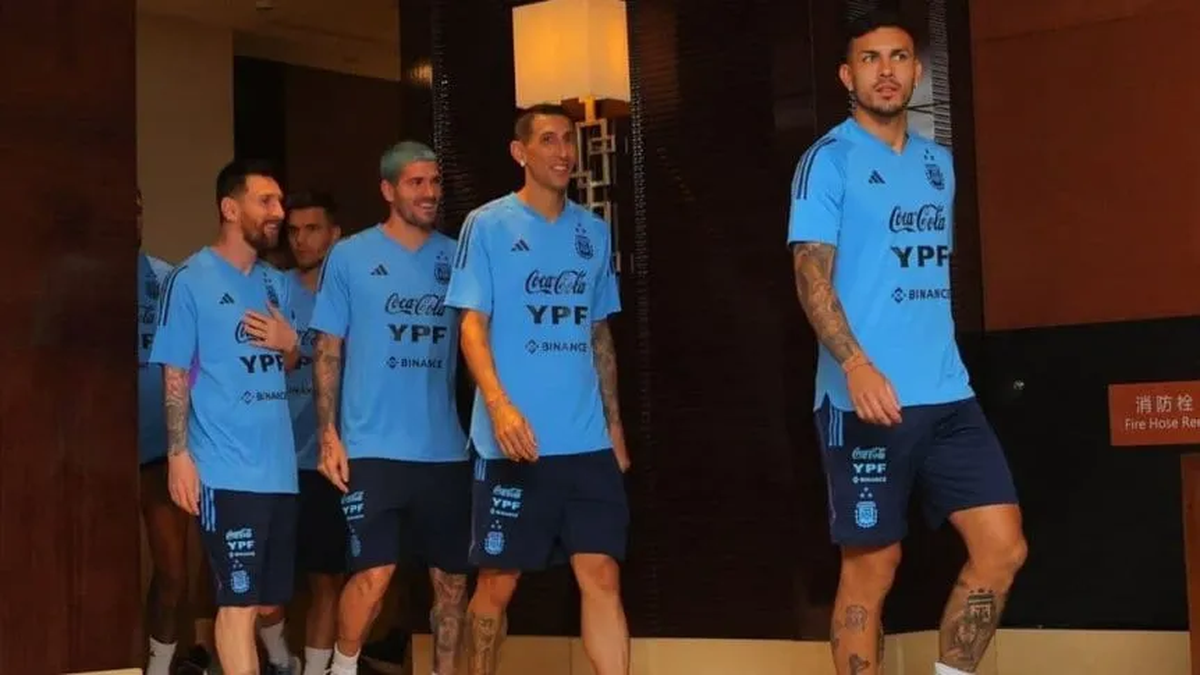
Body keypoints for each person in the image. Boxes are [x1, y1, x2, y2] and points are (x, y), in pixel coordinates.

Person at [787, 10, 1027, 675]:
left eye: (897, 57)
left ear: (917, 71)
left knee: (1002, 547)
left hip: (948, 394)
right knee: (873, 566)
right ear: (847, 76)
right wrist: (856, 364)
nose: (885, 71)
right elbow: (811, 277)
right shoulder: (827, 162)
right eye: (870, 59)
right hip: (863, 400)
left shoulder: (937, 165)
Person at [446, 104, 630, 675]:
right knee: (497, 583)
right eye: (548, 140)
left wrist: (615, 427)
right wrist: (500, 408)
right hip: (513, 442)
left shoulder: (592, 232)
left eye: (568, 140)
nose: (563, 152)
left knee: (602, 574)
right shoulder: (487, 225)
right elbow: (471, 327)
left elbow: (599, 335)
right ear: (519, 152)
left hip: (586, 443)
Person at [311, 141, 470, 675]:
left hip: (445, 450)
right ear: (388, 189)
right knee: (374, 576)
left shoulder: (458, 256)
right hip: (372, 448)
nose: (429, 192)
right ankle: (342, 667)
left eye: (435, 182)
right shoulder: (350, 256)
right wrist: (328, 434)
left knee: (452, 585)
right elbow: (327, 348)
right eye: (415, 182)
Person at [150, 159, 305, 675]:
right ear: (230, 208)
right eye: (266, 201)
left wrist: (289, 344)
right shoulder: (189, 280)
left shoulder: (276, 284)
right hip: (225, 470)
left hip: (278, 471)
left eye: (280, 201)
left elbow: (288, 360)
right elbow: (175, 372)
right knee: (237, 606)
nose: (278, 212)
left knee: (264, 602)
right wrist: (178, 455)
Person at [282, 189, 346, 675]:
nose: (301, 240)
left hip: (330, 459)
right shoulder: (272, 289)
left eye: (312, 229)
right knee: (264, 589)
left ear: (334, 234)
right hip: (275, 459)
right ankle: (279, 658)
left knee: (327, 578)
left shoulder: (349, 290)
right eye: (293, 231)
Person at [137, 187, 192, 675]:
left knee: (174, 572)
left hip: (160, 452)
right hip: (92, 457)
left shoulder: (165, 279)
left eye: (136, 210)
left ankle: (160, 667)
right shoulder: (76, 278)